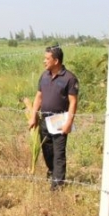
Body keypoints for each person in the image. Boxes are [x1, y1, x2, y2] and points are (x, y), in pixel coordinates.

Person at [28, 45, 79, 190]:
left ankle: (57, 185)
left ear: (56, 61)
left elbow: (73, 102)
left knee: (59, 153)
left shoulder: (69, 78)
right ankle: (52, 172)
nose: (44, 61)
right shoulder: (44, 76)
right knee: (47, 150)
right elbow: (38, 97)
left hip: (59, 120)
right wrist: (33, 116)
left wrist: (69, 122)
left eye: (47, 59)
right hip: (44, 120)